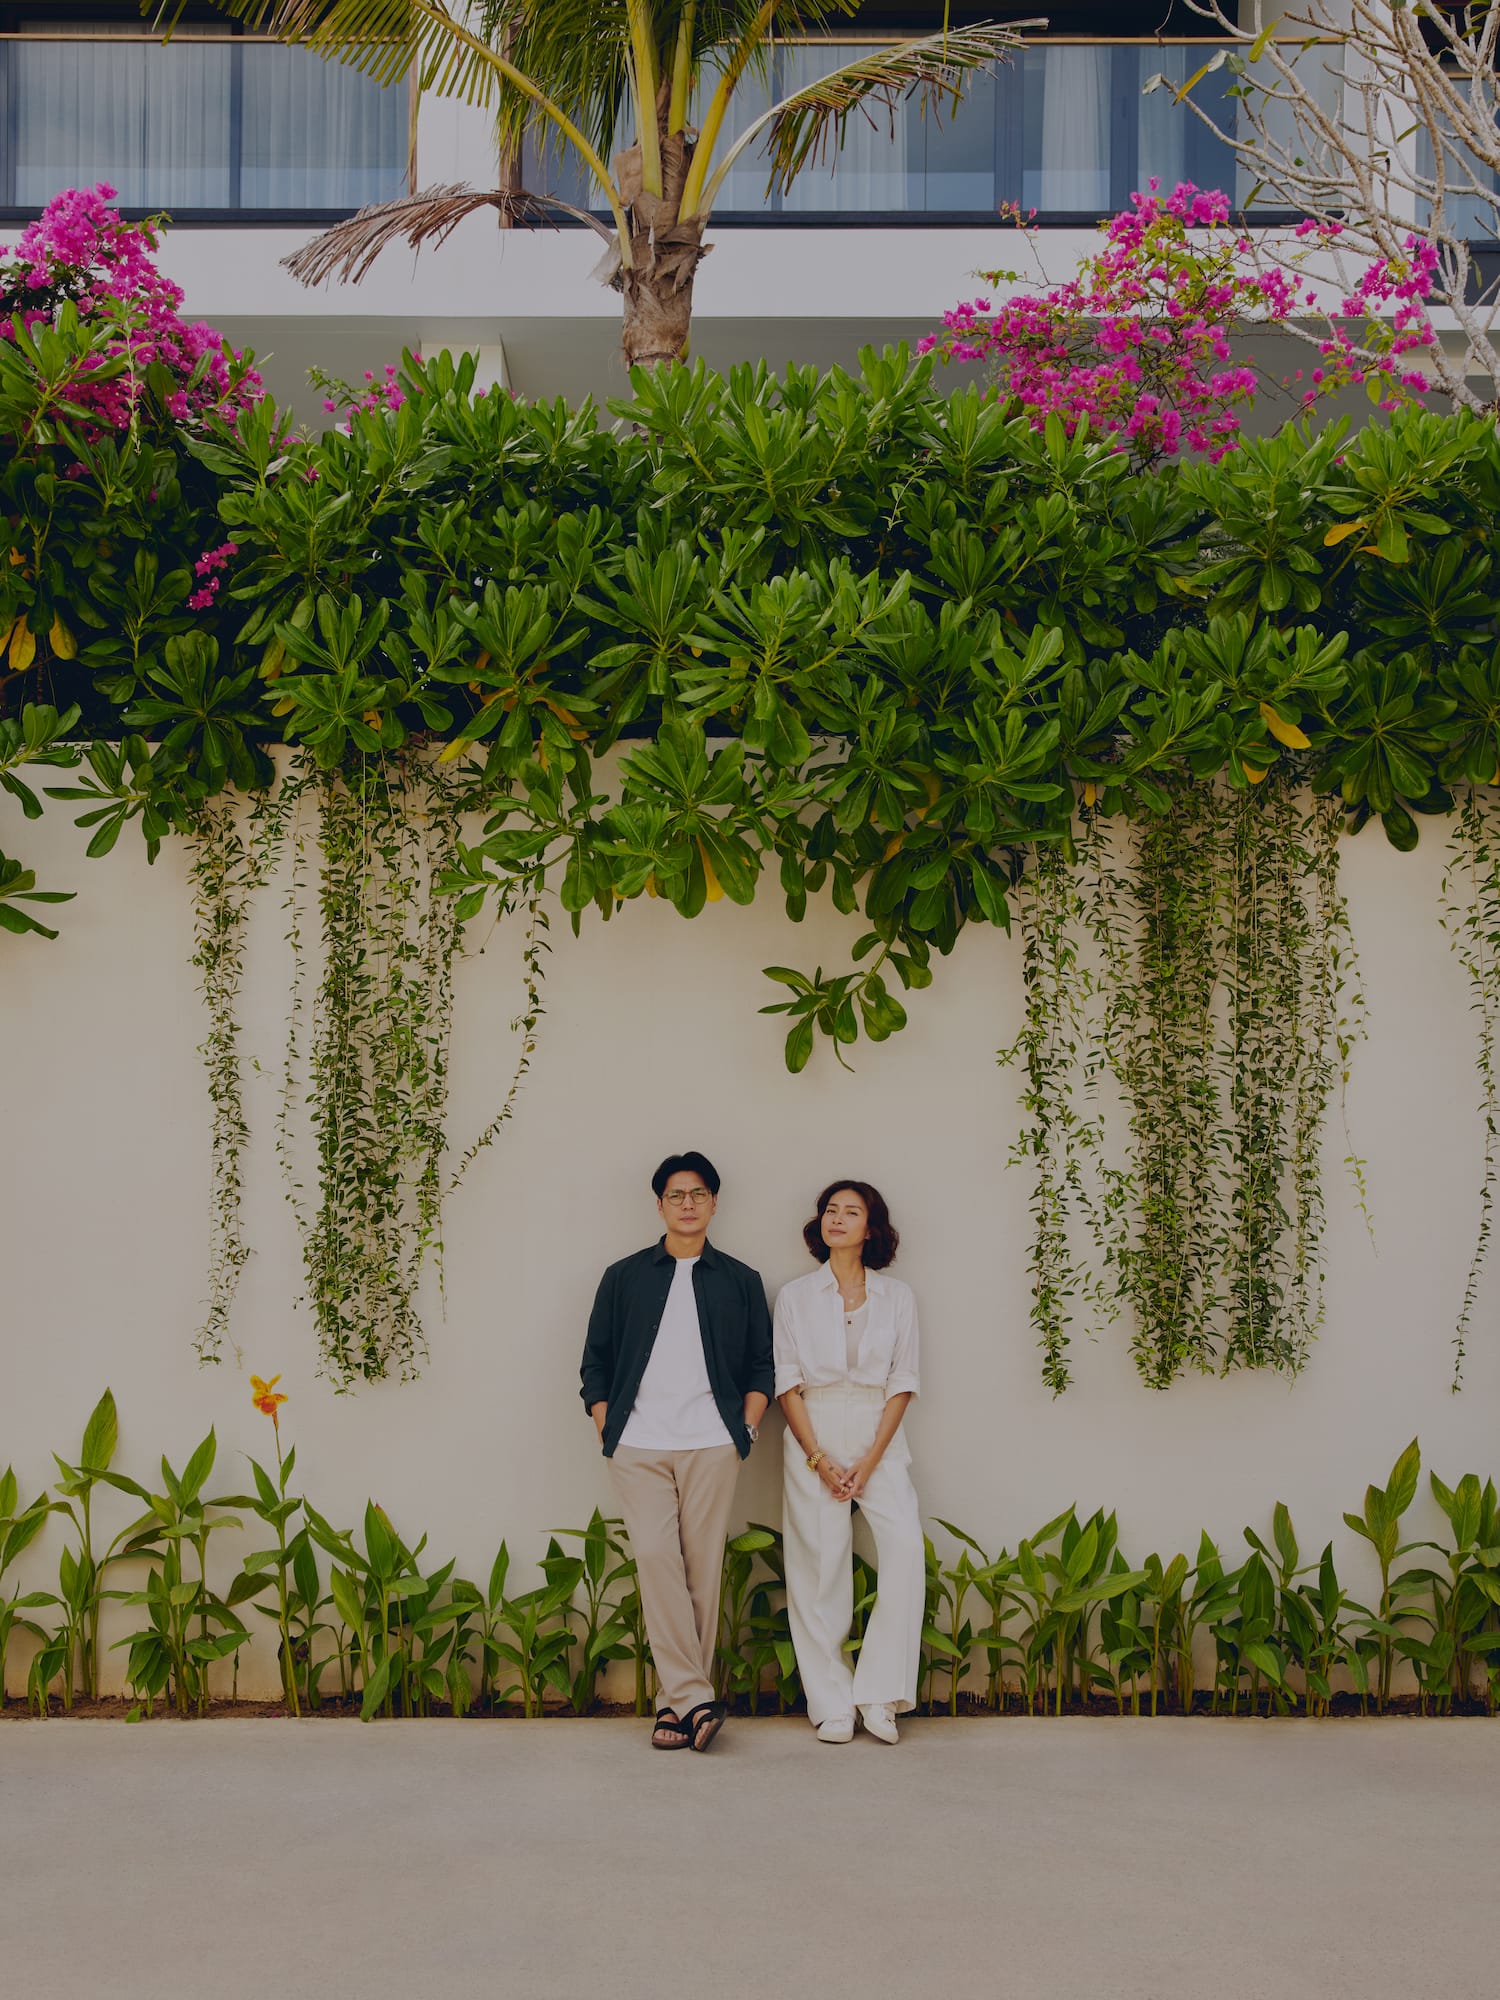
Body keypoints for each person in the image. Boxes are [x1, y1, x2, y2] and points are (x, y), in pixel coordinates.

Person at [580, 1151, 773, 1752]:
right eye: (675, 1195)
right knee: (657, 1557)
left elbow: (762, 1366)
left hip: (712, 1442)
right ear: (659, 1203)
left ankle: (674, 1708)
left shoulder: (740, 1279)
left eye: (698, 1194)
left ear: (714, 1202)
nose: (686, 1204)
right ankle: (696, 1698)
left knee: (701, 1572)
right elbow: (596, 1360)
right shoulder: (625, 1275)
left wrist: (744, 1429)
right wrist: (605, 1421)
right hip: (638, 1444)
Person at [774, 1180, 924, 1744]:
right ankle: (831, 1701)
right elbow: (787, 1382)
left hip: (877, 1431)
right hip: (812, 1426)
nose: (837, 1218)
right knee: (819, 1566)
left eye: (851, 1211)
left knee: (906, 1549)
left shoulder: (898, 1298)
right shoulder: (794, 1296)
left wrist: (870, 1458)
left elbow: (903, 1382)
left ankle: (880, 1695)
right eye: (830, 1210)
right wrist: (818, 1457)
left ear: (871, 1227)